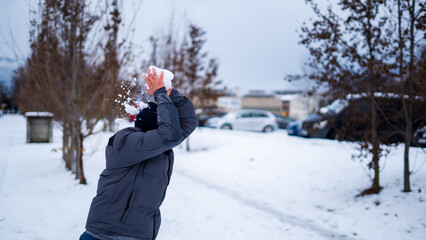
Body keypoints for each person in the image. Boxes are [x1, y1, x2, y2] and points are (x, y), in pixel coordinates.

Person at [80, 69, 199, 240]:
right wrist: (159, 94)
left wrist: (171, 94)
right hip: (105, 233)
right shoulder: (124, 142)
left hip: (137, 234)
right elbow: (169, 133)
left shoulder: (161, 146)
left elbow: (189, 122)